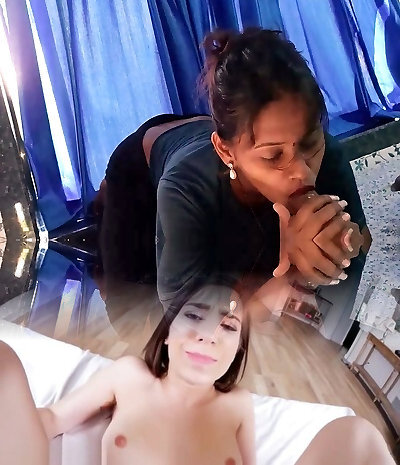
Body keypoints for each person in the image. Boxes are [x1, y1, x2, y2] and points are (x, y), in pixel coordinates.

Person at [99, 27, 372, 312]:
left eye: (310, 143)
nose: (302, 171)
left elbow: (360, 241)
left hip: (222, 136)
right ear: (226, 151)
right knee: (125, 304)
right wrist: (288, 277)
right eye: (273, 156)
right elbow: (181, 307)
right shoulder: (185, 185)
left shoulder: (328, 154)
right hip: (141, 168)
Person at [0, 280, 395, 465]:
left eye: (228, 327)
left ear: (236, 353)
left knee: (356, 434)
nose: (208, 336)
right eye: (194, 316)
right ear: (167, 334)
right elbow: (51, 419)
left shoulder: (238, 405)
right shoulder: (129, 377)